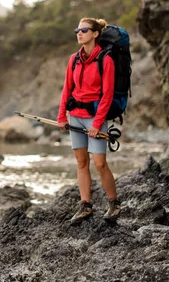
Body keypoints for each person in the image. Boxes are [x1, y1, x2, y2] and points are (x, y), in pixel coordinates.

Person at [57, 17, 121, 223]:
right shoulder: (73, 59)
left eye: (84, 30)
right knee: (81, 162)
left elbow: (107, 96)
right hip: (75, 116)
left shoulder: (106, 59)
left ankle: (114, 203)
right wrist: (61, 116)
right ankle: (85, 205)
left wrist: (96, 124)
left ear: (95, 34)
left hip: (95, 118)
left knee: (100, 163)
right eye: (77, 29)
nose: (79, 33)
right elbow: (67, 88)